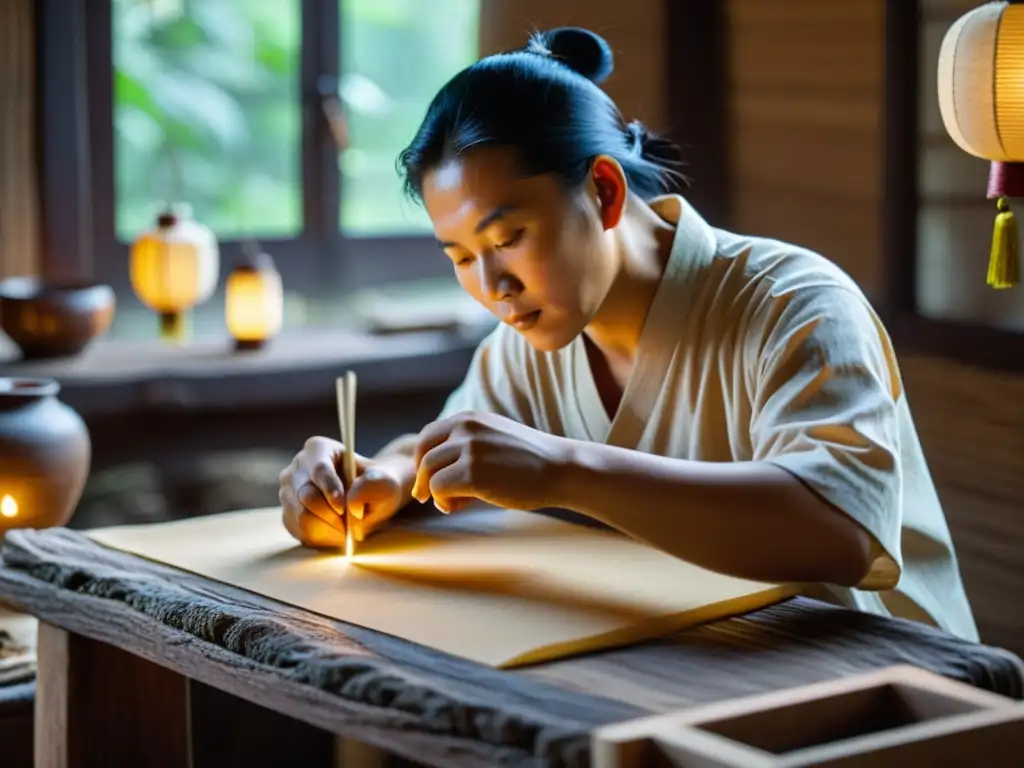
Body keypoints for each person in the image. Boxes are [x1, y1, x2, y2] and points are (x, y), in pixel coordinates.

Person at [278, 27, 978, 642]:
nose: (492, 286)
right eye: (460, 257)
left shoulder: (794, 302)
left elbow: (840, 530)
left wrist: (563, 470)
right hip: (697, 664)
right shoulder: (527, 344)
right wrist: (381, 478)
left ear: (605, 192)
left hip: (880, 677)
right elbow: (448, 442)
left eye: (509, 237)